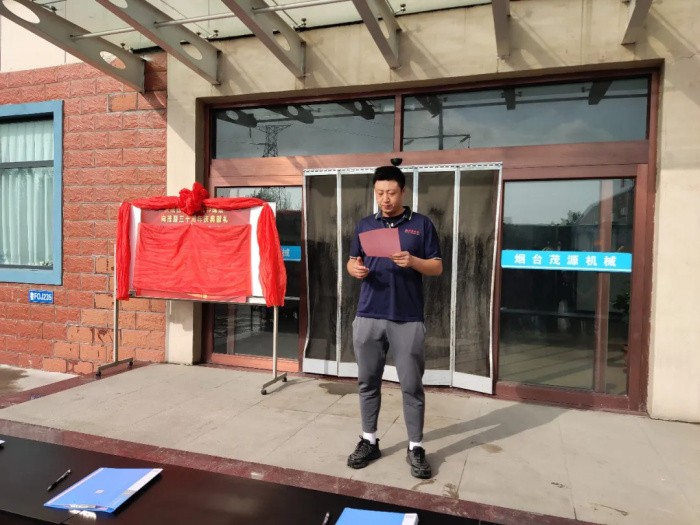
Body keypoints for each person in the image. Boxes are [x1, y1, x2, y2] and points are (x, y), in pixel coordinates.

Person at [346, 164, 443, 479]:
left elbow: (437, 267)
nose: (384, 199)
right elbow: (352, 261)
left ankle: (415, 446)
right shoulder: (365, 225)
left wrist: (413, 261)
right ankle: (369, 440)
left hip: (407, 317)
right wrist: (355, 269)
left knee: (411, 385)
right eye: (379, 193)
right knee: (367, 382)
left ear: (403, 192)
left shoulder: (421, 225)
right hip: (368, 314)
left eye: (390, 193)